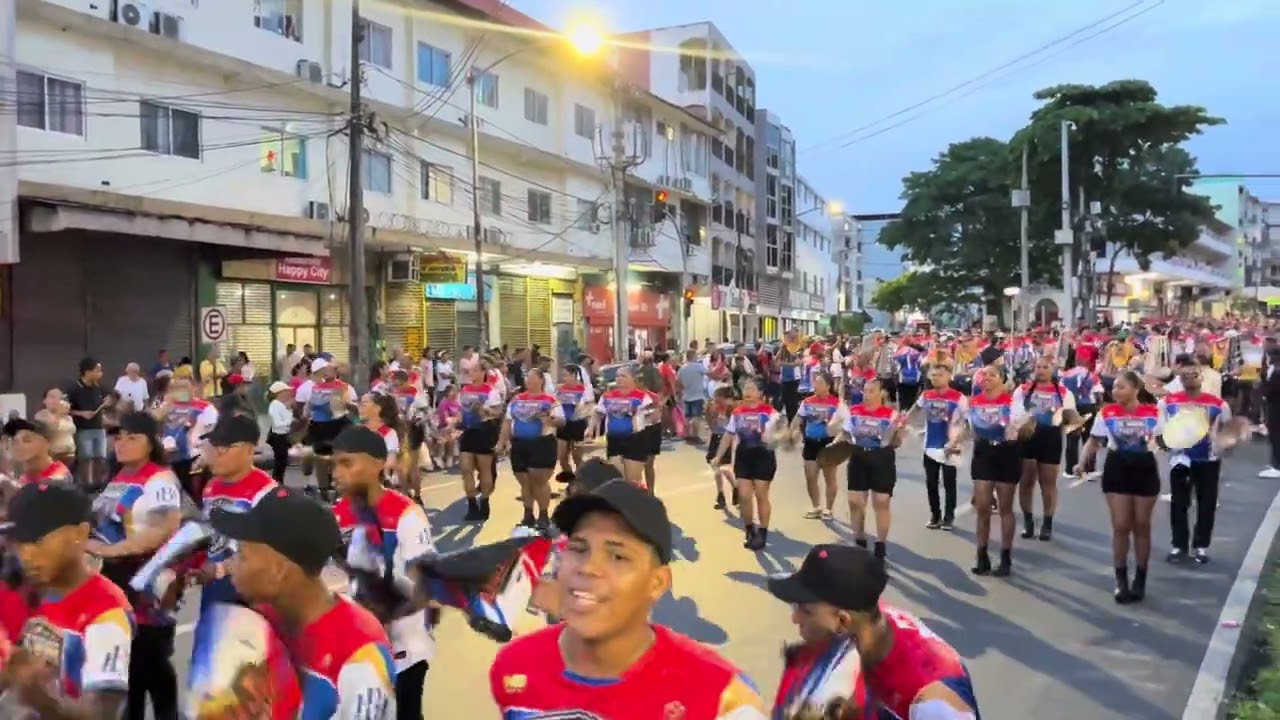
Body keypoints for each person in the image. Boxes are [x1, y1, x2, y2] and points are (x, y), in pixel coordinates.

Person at [489, 480, 767, 717]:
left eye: (617, 556)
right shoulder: (513, 667)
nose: (587, 567)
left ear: (657, 582)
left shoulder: (721, 699)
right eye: (578, 548)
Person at [211, 487, 397, 717]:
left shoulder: (361, 656)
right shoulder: (258, 624)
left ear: (278, 570)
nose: (230, 564)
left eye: (242, 554)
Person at [767, 544, 980, 720]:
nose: (795, 619)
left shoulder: (934, 704)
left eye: (805, 611)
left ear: (842, 620)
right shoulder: (868, 622)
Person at [84, 411, 185, 720]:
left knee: (150, 663)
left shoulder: (159, 478)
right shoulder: (119, 476)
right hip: (117, 581)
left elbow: (164, 527)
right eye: (119, 436)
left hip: (147, 584)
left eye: (133, 437)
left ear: (150, 442)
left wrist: (112, 549)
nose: (122, 443)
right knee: (129, 669)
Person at [3, 482, 133, 718]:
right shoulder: (31, 592)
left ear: (80, 534)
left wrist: (43, 701)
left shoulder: (105, 611)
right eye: (20, 543)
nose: (27, 555)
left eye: (38, 541)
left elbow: (102, 714)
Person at [330, 426, 434, 719]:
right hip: (364, 641)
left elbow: (427, 583)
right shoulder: (340, 512)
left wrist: (386, 612)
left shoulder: (406, 514)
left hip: (406, 647)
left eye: (347, 463)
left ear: (379, 463)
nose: (337, 472)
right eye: (335, 464)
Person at [1078, 370, 1161, 603]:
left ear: (1136, 389)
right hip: (1118, 468)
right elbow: (1094, 440)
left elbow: (1167, 438)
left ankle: (1140, 579)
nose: (1116, 391)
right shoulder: (1107, 412)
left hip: (1144, 467)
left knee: (1142, 525)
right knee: (1121, 525)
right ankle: (1121, 580)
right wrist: (1082, 462)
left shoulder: (1154, 412)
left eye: (1121, 387)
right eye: (1114, 387)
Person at [196, 415, 278, 611]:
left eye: (223, 449)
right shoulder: (211, 487)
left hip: (251, 593)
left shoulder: (266, 492)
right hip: (215, 588)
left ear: (249, 450)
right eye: (212, 447)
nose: (214, 454)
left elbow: (268, 556)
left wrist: (220, 569)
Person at [1159, 363, 1230, 564]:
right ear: (1180, 379)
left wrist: (1224, 444)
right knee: (1179, 504)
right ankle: (1179, 545)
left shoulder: (1218, 404)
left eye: (1195, 374)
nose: (1190, 377)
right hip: (1180, 460)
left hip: (1208, 459)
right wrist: (1168, 444)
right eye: (1186, 375)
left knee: (1206, 504)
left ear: (1201, 377)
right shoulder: (1168, 402)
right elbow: (1160, 431)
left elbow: (1227, 430)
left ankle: (1201, 546)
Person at [961, 364, 1024, 577]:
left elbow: (1026, 425)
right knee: (982, 507)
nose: (986, 377)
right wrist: (956, 440)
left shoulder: (1012, 402)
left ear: (1002, 379)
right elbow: (968, 429)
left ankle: (1005, 557)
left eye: (992, 375)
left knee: (1005, 507)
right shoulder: (975, 402)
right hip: (983, 453)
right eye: (984, 374)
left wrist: (1018, 429)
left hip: (1007, 453)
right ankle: (982, 554)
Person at [1011, 358, 1078, 542]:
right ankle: (1028, 521)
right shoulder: (1023, 389)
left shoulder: (1064, 393)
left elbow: (1071, 418)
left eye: (1045, 367)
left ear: (1053, 370)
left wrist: (1070, 422)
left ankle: (1047, 523)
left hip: (1051, 438)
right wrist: (1023, 422)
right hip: (1028, 438)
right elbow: (1014, 413)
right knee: (1026, 482)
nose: (1040, 370)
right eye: (1038, 366)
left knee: (1047, 484)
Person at [712, 379, 782, 550]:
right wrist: (718, 456)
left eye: (752, 389)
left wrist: (771, 437)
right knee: (743, 495)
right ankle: (750, 529)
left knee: (761, 494)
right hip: (744, 455)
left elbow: (779, 436)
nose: (748, 393)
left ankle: (763, 532)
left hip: (763, 455)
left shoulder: (770, 412)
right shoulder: (737, 413)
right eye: (745, 389)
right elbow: (729, 435)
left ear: (760, 394)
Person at [844, 378, 905, 560]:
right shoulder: (854, 411)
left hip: (882, 458)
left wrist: (898, 433)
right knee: (855, 502)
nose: (867, 395)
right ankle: (859, 538)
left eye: (871, 391)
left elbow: (896, 442)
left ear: (882, 394)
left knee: (881, 501)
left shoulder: (890, 414)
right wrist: (837, 442)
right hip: (858, 457)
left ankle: (880, 544)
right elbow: (845, 432)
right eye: (865, 391)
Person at [498, 369, 565, 530]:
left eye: (532, 377)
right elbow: (507, 422)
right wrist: (501, 442)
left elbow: (561, 421)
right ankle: (528, 515)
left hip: (542, 443)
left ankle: (543, 515)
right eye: (527, 378)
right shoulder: (517, 399)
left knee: (539, 480)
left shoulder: (550, 400)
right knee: (525, 482)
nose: (528, 380)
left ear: (541, 380)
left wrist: (549, 420)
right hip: (520, 444)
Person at [906, 362, 966, 530]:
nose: (935, 378)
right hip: (930, 445)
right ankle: (935, 515)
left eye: (939, 375)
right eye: (933, 375)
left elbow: (967, 423)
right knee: (931, 482)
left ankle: (948, 517)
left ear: (948, 376)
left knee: (949, 483)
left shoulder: (958, 397)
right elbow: (914, 411)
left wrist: (957, 440)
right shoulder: (926, 395)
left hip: (949, 446)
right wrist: (902, 421)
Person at [295, 357, 357, 502]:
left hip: (337, 425)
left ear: (336, 372)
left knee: (338, 459)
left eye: (329, 369)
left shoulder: (344, 387)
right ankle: (323, 490)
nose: (326, 372)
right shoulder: (315, 387)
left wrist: (343, 405)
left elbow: (347, 407)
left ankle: (338, 489)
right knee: (321, 460)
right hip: (319, 426)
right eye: (324, 370)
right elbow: (310, 406)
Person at [153, 374, 219, 502]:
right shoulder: (168, 405)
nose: (181, 390)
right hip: (170, 457)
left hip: (195, 458)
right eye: (177, 387)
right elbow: (153, 421)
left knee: (198, 495)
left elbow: (215, 432)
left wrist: (205, 455)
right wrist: (165, 408)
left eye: (185, 386)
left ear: (193, 387)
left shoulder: (205, 407)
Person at [790, 371, 846, 521]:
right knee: (810, 477)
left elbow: (846, 424)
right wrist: (790, 432)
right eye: (816, 382)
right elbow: (797, 419)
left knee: (829, 477)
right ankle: (816, 506)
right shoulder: (807, 402)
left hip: (828, 443)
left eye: (820, 382)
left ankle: (828, 509)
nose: (816, 385)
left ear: (828, 386)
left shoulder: (837, 404)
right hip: (810, 442)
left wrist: (838, 440)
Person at [590, 367, 652, 488]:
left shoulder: (642, 397)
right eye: (617, 376)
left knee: (633, 482)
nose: (619, 378)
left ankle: (635, 504)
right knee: (616, 480)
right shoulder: (607, 396)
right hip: (614, 439)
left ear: (632, 378)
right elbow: (598, 413)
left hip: (635, 439)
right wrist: (590, 428)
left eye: (623, 376)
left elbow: (651, 418)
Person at [457, 363, 504, 522]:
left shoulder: (491, 390)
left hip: (485, 430)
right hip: (469, 431)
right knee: (465, 469)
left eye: (476, 370)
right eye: (471, 370)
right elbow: (461, 411)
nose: (473, 373)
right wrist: (454, 424)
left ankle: (484, 501)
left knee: (485, 470)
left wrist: (485, 410)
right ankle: (471, 504)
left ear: (484, 372)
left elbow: (498, 412)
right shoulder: (465, 390)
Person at [66, 357, 110, 490]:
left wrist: (108, 402)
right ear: (87, 371)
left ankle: (98, 484)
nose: (100, 373)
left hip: (99, 428)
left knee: (100, 458)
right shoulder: (74, 388)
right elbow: (67, 410)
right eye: (97, 370)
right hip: (83, 429)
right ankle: (85, 485)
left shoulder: (99, 387)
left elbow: (107, 400)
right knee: (86, 459)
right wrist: (82, 413)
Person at [553, 364, 593, 485]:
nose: (564, 378)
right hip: (563, 424)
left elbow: (589, 408)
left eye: (566, 375)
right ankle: (571, 483)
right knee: (562, 456)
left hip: (578, 424)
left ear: (574, 375)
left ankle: (583, 482)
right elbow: (554, 405)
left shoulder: (584, 390)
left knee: (577, 457)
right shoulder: (559, 390)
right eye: (562, 375)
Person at [3, 417, 73, 484]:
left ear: (48, 444)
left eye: (27, 440)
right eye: (14, 440)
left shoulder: (57, 479)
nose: (16, 443)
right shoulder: (21, 478)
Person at [266, 381, 296, 484]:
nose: (288, 394)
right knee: (280, 461)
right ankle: (276, 482)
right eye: (286, 391)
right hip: (278, 436)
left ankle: (278, 482)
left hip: (283, 435)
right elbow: (277, 423)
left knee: (282, 461)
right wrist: (290, 422)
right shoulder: (274, 405)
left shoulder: (281, 405)